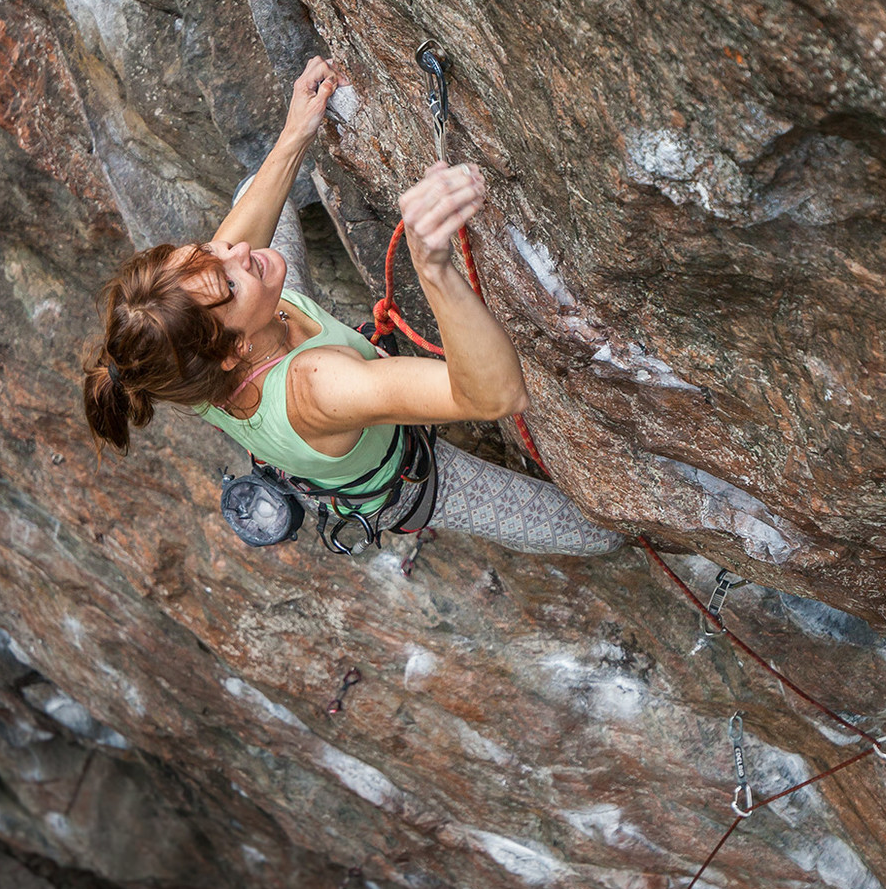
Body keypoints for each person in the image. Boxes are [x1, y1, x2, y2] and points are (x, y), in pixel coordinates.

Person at [81, 56, 622, 558]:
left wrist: (295, 133)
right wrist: (432, 268)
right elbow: (494, 395)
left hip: (281, 360)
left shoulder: (178, 361)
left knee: (253, 191)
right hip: (402, 478)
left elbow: (233, 253)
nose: (238, 251)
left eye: (209, 250)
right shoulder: (321, 385)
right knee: (598, 534)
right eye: (227, 281)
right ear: (234, 350)